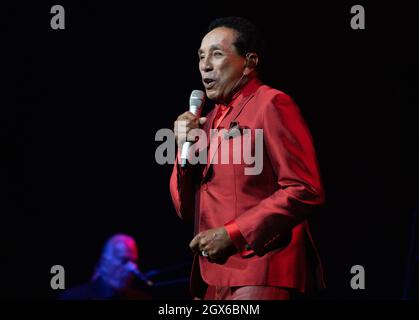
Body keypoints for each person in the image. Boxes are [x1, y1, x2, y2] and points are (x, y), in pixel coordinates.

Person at [170, 16, 325, 300]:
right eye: (201, 56)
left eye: (217, 54)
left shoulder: (272, 103)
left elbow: (305, 189)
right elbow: (184, 208)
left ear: (250, 62)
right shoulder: (208, 119)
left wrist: (233, 234)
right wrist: (182, 150)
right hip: (212, 279)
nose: (205, 65)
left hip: (261, 269)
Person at [59, 234, 151, 300]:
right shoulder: (74, 297)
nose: (132, 268)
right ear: (105, 262)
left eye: (134, 261)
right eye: (124, 261)